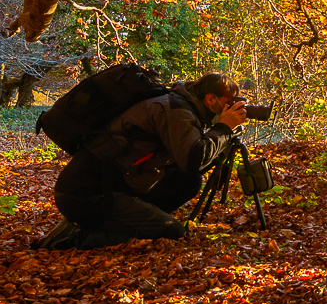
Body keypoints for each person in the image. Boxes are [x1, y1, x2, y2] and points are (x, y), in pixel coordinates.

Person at [32, 72, 247, 250]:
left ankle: (134, 220)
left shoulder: (179, 104)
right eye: (230, 103)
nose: (233, 108)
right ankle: (74, 237)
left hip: (118, 183)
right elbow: (194, 159)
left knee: (188, 180)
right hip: (86, 195)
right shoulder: (177, 111)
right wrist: (224, 128)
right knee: (173, 233)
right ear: (210, 99)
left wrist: (223, 134)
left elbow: (189, 166)